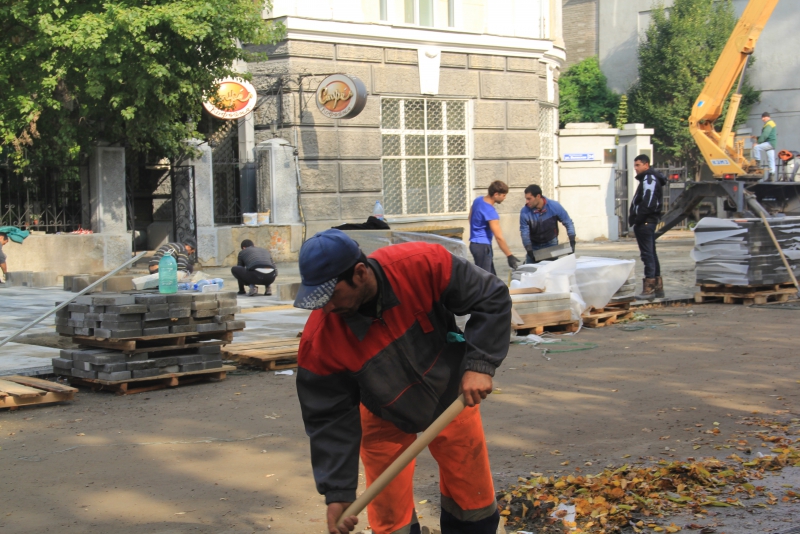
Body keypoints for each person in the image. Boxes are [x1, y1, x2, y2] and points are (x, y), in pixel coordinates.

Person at [293, 229, 511, 534]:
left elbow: (491, 296)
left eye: (331, 295)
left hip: (452, 396)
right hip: (381, 412)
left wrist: (481, 365)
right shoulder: (320, 342)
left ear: (359, 274)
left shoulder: (421, 264)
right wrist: (338, 493)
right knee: (391, 518)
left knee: (472, 499)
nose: (326, 307)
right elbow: (328, 418)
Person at [629, 154, 667, 300]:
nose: (636, 169)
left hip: (645, 222)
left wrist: (639, 218)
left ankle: (649, 287)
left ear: (646, 165)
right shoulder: (650, 178)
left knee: (647, 254)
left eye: (638, 165)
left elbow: (649, 200)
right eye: (635, 166)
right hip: (647, 221)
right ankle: (657, 286)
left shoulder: (649, 178)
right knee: (651, 252)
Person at [468, 180, 520, 274]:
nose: (504, 198)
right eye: (503, 195)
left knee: (491, 277)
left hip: (474, 244)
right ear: (496, 194)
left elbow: (470, 217)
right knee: (485, 279)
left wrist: (477, 229)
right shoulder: (490, 212)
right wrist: (509, 255)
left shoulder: (478, 200)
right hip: (483, 247)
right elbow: (499, 237)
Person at [519, 184, 576, 263]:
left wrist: (572, 241)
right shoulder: (525, 212)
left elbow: (568, 222)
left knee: (550, 272)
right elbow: (524, 232)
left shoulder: (554, 206)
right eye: (526, 199)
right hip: (534, 245)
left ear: (538, 197)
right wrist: (529, 249)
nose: (527, 202)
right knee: (530, 272)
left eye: (529, 199)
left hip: (551, 244)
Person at [753, 112, 777, 181]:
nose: (762, 119)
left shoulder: (769, 124)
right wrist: (757, 137)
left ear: (767, 117)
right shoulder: (771, 123)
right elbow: (766, 135)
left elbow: (765, 135)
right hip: (772, 143)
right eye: (762, 118)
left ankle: (757, 163)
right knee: (771, 160)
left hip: (769, 143)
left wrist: (757, 142)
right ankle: (771, 176)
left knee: (756, 147)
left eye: (763, 117)